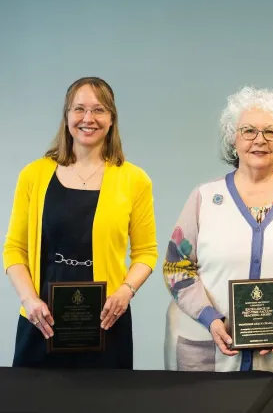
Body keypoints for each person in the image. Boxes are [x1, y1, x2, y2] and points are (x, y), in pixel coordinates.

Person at [162, 86, 273, 377]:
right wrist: (210, 318)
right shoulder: (205, 197)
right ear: (233, 138)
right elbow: (175, 267)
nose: (260, 140)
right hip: (206, 347)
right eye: (248, 131)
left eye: (271, 132)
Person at [3, 76, 158, 369]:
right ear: (67, 116)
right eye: (79, 109)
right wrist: (29, 300)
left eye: (99, 110)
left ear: (112, 119)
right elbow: (14, 249)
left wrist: (125, 292)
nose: (89, 118)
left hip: (107, 319)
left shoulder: (134, 180)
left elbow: (146, 252)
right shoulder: (33, 175)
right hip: (42, 317)